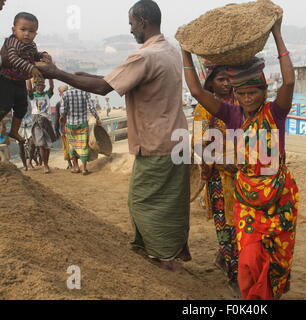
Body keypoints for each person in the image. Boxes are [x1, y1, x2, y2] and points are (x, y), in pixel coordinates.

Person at [38, 0, 191, 271]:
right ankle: (167, 252)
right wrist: (89, 76)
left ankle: (165, 259)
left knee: (143, 201)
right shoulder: (167, 50)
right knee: (170, 202)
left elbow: (101, 88)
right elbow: (118, 81)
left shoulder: (145, 56)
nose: (131, 29)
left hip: (157, 142)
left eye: (132, 23)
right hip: (175, 138)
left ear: (143, 22)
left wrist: (56, 73)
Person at [182, 12, 299, 300]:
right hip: (246, 200)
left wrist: (276, 34)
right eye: (242, 93)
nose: (247, 99)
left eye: (253, 93)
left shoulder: (275, 113)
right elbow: (196, 90)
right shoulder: (231, 114)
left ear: (263, 92)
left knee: (276, 264)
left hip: (278, 198)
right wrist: (184, 50)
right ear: (236, 94)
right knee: (248, 260)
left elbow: (289, 82)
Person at [192, 61, 240, 297]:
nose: (226, 83)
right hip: (219, 180)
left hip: (243, 176)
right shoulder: (203, 108)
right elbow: (198, 144)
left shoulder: (242, 102)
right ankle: (233, 275)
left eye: (230, 78)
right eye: (221, 79)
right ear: (211, 82)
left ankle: (224, 257)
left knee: (241, 226)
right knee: (226, 225)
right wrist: (220, 161)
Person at [0, 12, 50, 144]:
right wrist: (31, 68)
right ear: (14, 30)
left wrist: (41, 55)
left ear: (36, 33)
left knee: (22, 107)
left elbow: (33, 55)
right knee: (5, 105)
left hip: (19, 80)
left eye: (31, 31)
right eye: (23, 30)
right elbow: (13, 58)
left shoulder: (31, 45)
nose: (27, 34)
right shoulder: (13, 42)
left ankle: (14, 131)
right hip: (6, 79)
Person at [60, 87, 101, 175]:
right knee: (83, 146)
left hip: (70, 125)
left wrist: (62, 118)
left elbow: (63, 111)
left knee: (72, 146)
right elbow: (91, 107)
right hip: (82, 124)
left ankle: (76, 167)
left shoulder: (66, 94)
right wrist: (97, 118)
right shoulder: (85, 92)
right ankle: (84, 169)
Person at [29, 78, 56, 174]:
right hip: (37, 120)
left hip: (46, 120)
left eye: (41, 86)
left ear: (44, 87)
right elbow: (29, 90)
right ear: (35, 87)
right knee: (41, 144)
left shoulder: (46, 95)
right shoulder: (33, 96)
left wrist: (50, 77)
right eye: (38, 86)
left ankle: (46, 163)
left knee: (48, 145)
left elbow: (52, 87)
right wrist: (28, 78)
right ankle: (45, 166)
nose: (40, 87)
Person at [54, 85, 72, 170]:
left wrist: (56, 130)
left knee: (66, 146)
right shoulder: (72, 102)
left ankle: (70, 164)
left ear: (60, 93)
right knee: (71, 145)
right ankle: (73, 163)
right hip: (71, 128)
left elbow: (57, 118)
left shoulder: (58, 104)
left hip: (63, 129)